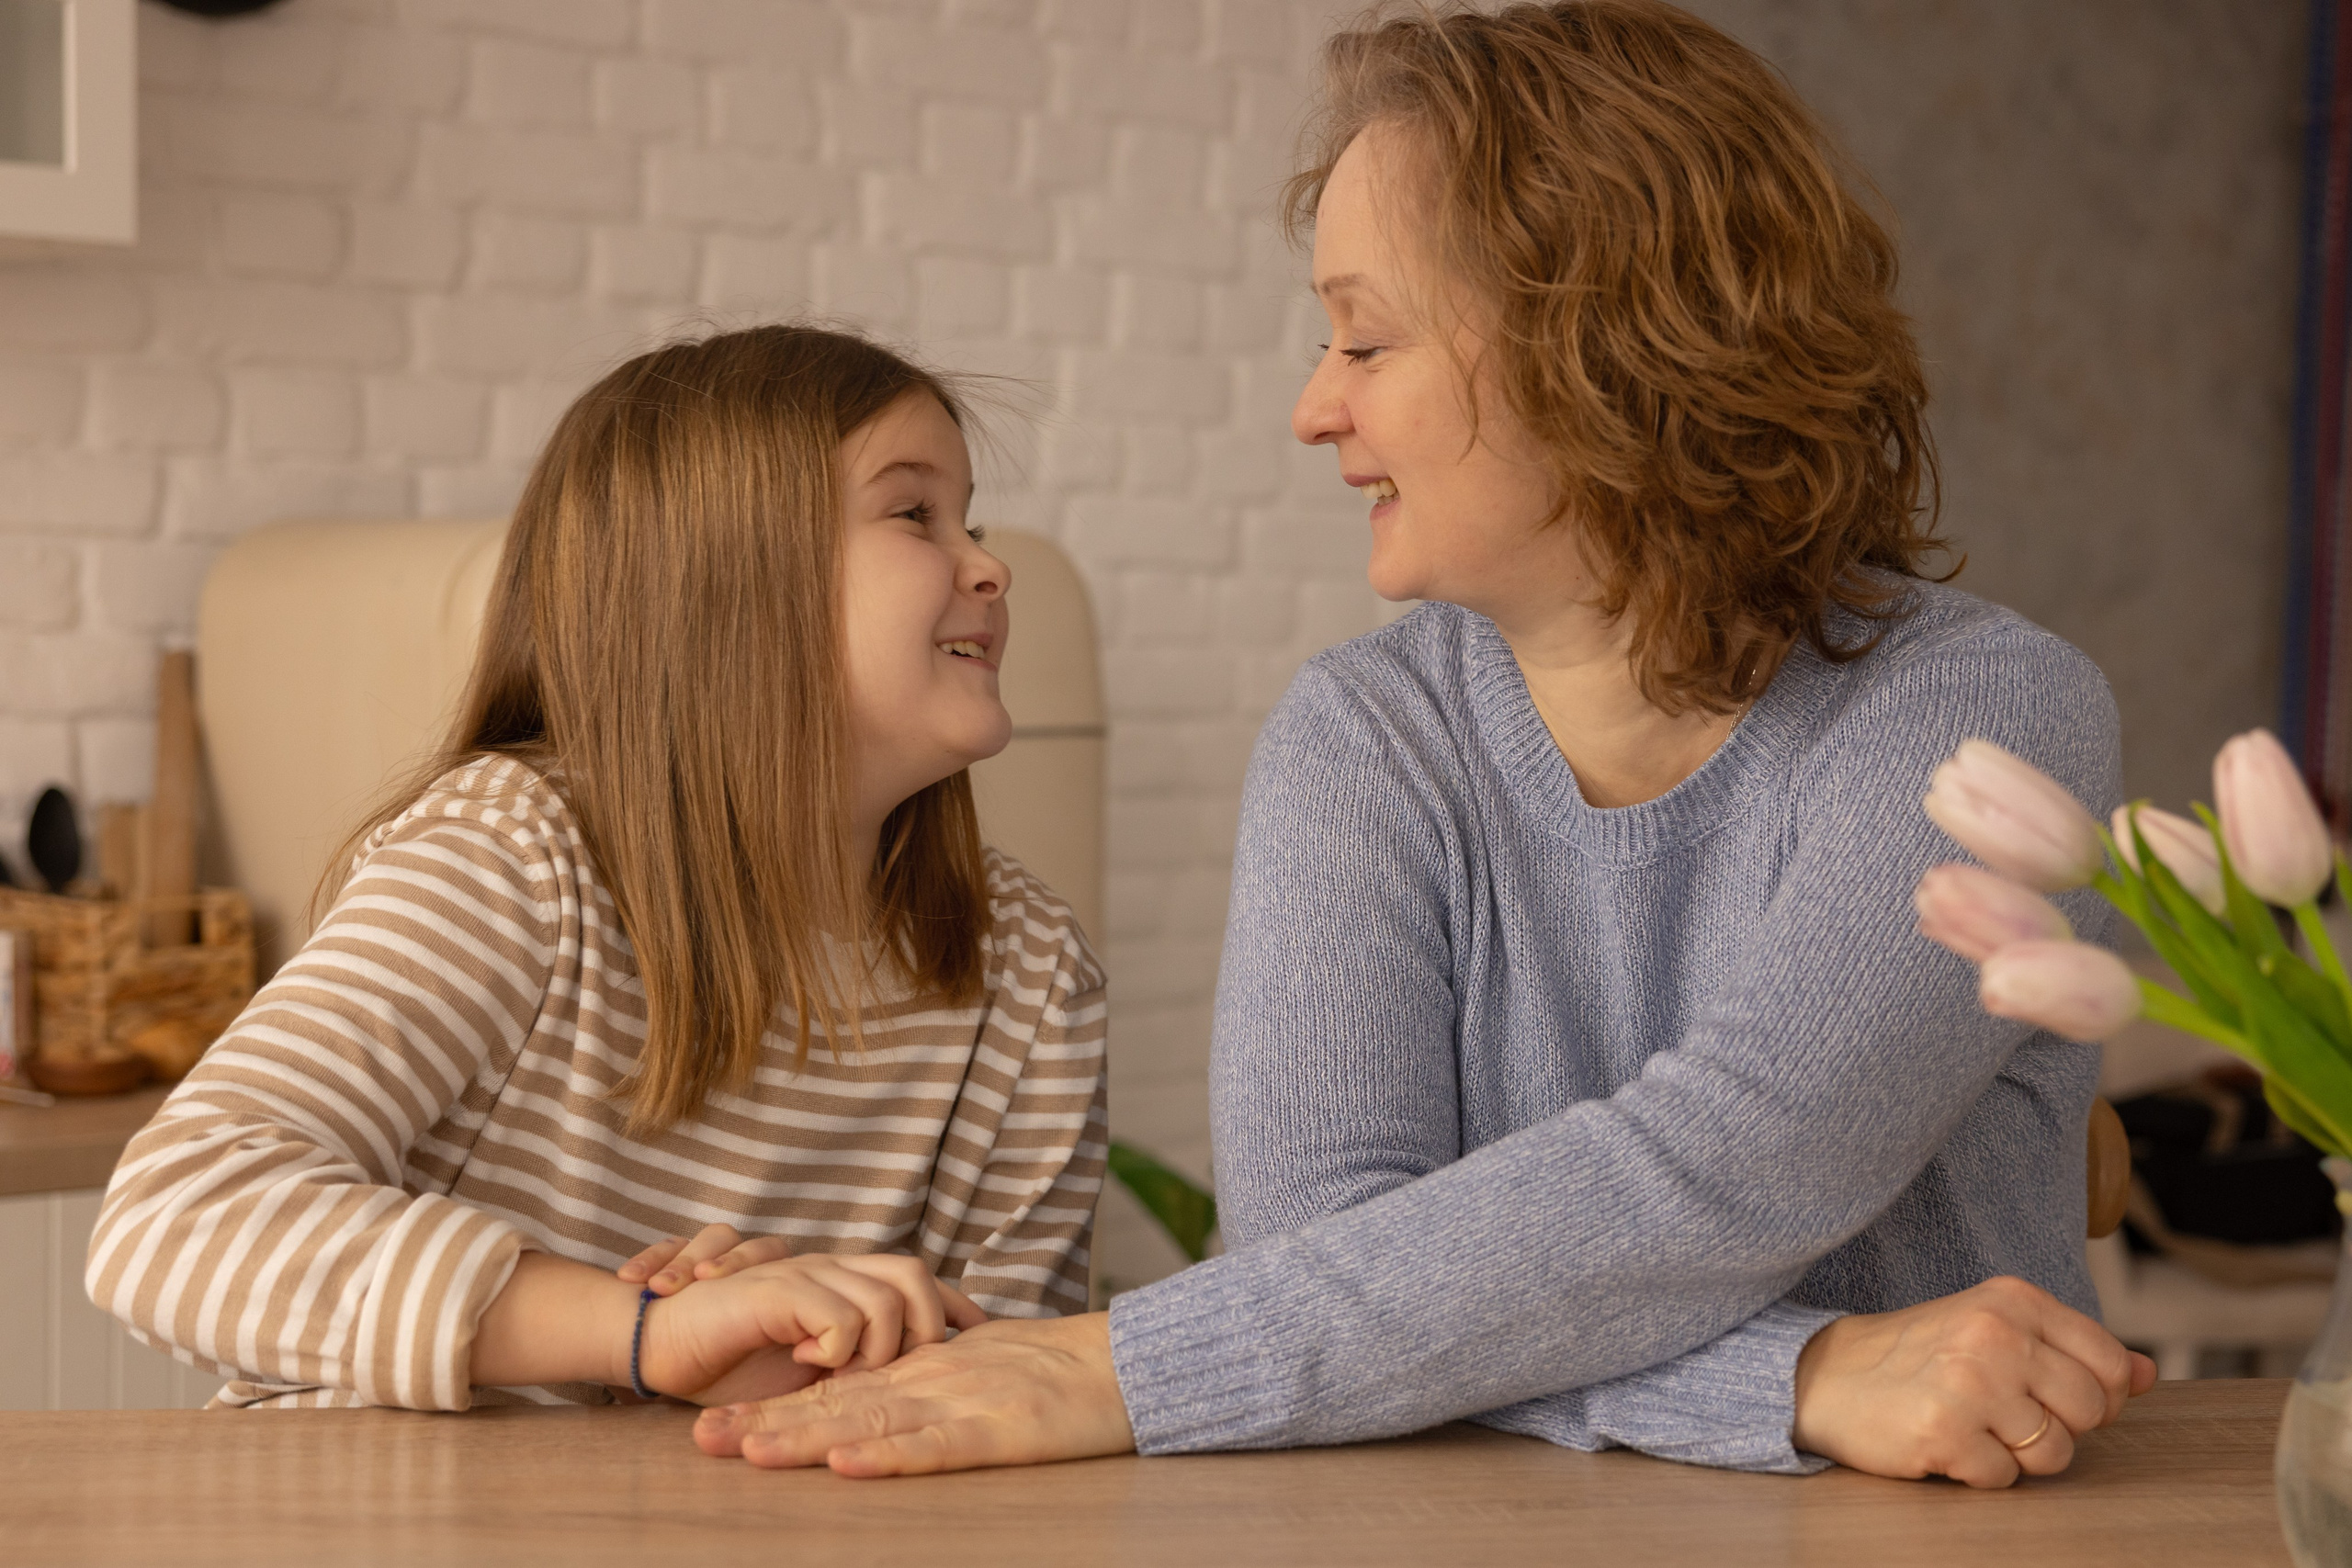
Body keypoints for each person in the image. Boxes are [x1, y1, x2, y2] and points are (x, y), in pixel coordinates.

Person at [689, 0, 2155, 1487]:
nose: (1313, 408)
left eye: (1369, 339)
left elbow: (1739, 1162)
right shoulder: (1363, 737)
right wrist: (1804, 1375)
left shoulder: (1988, 715)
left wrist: (1123, 1364)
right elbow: (1322, 1251)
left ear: (1608, 341)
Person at [85, 325, 1108, 1410]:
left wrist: (806, 1346)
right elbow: (174, 1215)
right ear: (723, 581)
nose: (988, 565)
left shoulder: (1032, 974)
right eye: (913, 514)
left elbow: (1011, 1399)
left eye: (969, 521)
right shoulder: (517, 856)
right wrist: (645, 1333)